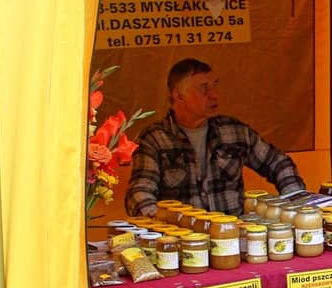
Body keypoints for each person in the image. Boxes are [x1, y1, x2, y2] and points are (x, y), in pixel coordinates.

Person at [125, 58, 305, 217]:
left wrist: (295, 202)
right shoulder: (154, 139)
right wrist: (153, 215)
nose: (214, 95)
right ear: (179, 96)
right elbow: (140, 191)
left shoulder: (234, 131)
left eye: (214, 86)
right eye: (204, 88)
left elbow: (279, 163)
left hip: (232, 234)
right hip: (181, 238)